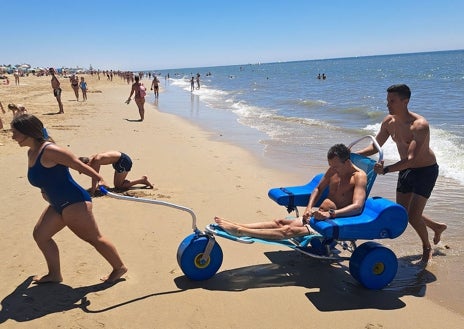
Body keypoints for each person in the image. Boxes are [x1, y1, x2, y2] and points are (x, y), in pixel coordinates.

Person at [10, 114, 127, 283]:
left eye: (15, 133)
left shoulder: (50, 150)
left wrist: (99, 179)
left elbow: (77, 165)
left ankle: (119, 267)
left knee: (93, 238)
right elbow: (45, 177)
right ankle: (55, 275)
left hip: (74, 202)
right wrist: (44, 190)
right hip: (57, 203)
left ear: (27, 132)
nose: (12, 137)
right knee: (41, 235)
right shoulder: (31, 152)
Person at [357, 84, 447, 264]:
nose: (388, 105)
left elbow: (412, 159)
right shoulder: (389, 122)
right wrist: (350, 154)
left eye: (392, 101)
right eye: (387, 101)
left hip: (425, 171)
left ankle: (427, 247)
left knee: (413, 216)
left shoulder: (419, 125)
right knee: (404, 213)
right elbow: (374, 147)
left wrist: (387, 169)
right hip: (406, 169)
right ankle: (437, 227)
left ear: (405, 101)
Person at [215, 144, 367, 240]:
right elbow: (318, 189)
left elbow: (357, 206)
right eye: (330, 166)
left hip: (330, 223)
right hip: (316, 217)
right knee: (279, 222)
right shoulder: (334, 170)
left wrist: (331, 214)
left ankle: (240, 231)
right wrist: (308, 209)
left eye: (335, 166)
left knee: (287, 231)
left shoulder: (359, 177)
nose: (332, 169)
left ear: (346, 162)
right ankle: (239, 225)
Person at [78, 151, 154, 195]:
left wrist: (92, 192)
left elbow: (95, 177)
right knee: (118, 184)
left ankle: (142, 180)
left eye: (83, 168)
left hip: (123, 162)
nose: (81, 172)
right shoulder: (91, 158)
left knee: (119, 186)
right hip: (118, 161)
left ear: (87, 164)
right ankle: (125, 182)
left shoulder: (96, 161)